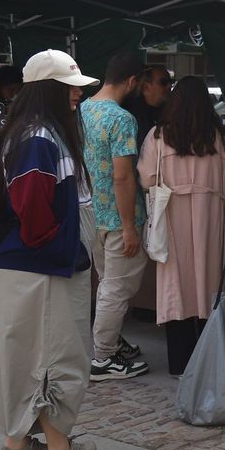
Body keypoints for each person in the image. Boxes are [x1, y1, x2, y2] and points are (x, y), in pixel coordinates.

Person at [0, 49, 99, 450]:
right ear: (50, 89)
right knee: (54, 356)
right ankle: (57, 448)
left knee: (21, 354)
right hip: (43, 266)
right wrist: (52, 244)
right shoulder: (40, 137)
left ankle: (16, 445)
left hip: (27, 263)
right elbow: (33, 206)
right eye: (71, 87)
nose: (77, 95)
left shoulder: (29, 133)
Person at [138, 76, 225, 375]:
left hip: (170, 214)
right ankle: (209, 361)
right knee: (209, 280)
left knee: (175, 283)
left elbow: (146, 179)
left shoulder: (157, 136)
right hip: (210, 215)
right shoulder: (219, 138)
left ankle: (180, 363)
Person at [80, 51, 150, 381]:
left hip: (93, 211)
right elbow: (123, 176)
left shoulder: (83, 111)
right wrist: (129, 226)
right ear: (133, 81)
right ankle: (104, 356)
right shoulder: (122, 119)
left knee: (107, 284)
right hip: (121, 215)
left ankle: (110, 342)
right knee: (116, 289)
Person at [127, 65, 173, 146]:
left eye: (171, 82)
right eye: (164, 82)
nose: (169, 86)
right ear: (146, 87)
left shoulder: (171, 112)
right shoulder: (130, 117)